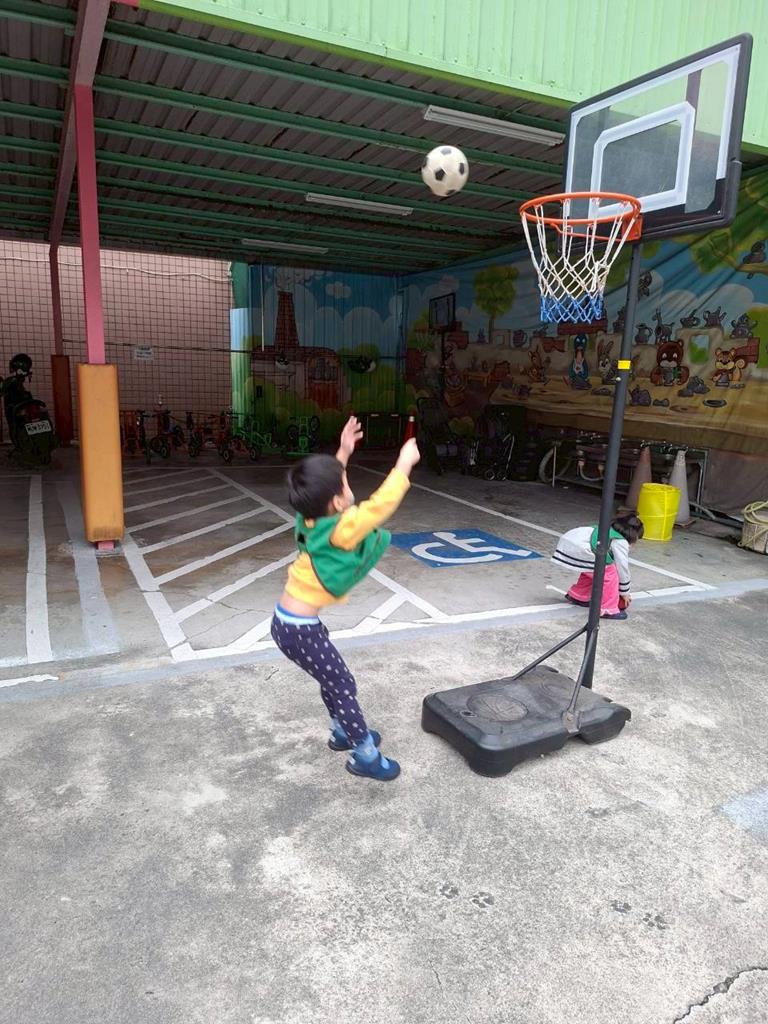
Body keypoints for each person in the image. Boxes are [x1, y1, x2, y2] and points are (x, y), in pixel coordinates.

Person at [271, 416, 420, 782]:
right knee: (342, 685)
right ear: (338, 501)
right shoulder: (342, 528)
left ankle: (341, 731)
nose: (348, 485)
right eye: (345, 483)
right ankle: (365, 755)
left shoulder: (309, 517)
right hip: (300, 630)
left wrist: (344, 451)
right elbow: (381, 505)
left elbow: (323, 487)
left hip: (289, 624)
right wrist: (403, 465)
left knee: (331, 679)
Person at [551, 513, 644, 620]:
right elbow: (622, 568)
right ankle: (608, 609)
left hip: (568, 543)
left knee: (593, 568)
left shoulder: (607, 530)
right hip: (579, 549)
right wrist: (624, 592)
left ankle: (579, 595)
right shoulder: (620, 541)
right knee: (610, 572)